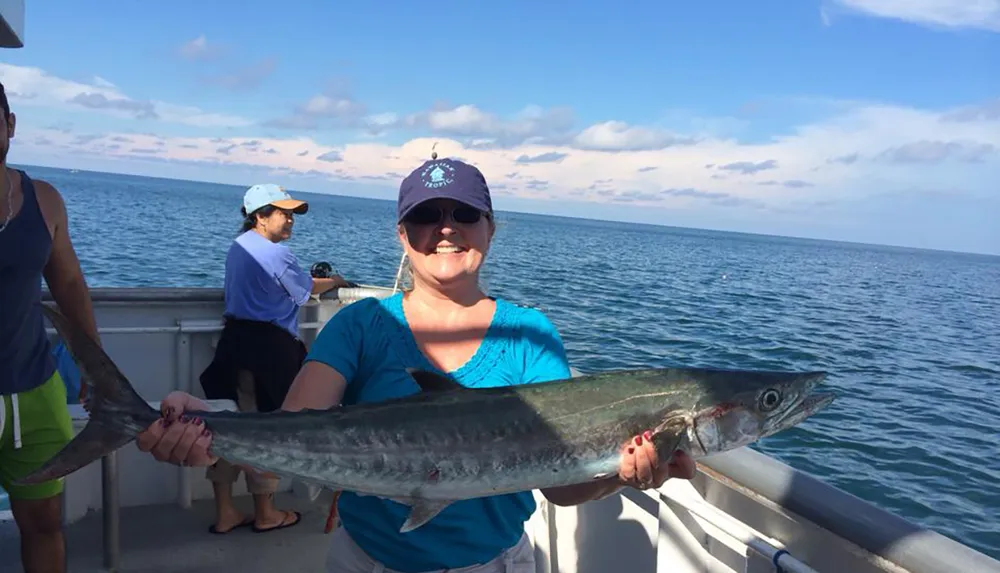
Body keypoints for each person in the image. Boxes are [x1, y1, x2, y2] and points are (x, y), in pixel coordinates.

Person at [134, 157, 697, 572]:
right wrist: (207, 420)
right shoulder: (360, 326)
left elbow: (561, 488)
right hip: (369, 562)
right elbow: (293, 426)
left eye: (464, 213)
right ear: (403, 235)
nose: (446, 227)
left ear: (490, 229)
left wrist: (618, 478)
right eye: (428, 215)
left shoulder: (530, 334)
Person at [197, 183, 348, 535]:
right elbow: (303, 292)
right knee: (268, 430)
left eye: (292, 214)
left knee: (226, 425)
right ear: (260, 216)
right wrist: (334, 280)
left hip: (233, 343)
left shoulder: (238, 247)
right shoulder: (278, 254)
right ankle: (265, 513)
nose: (291, 221)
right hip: (268, 349)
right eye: (284, 213)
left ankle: (225, 513)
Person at [0, 81, 102, 573]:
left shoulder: (44, 200)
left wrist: (93, 366)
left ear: (10, 124)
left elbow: (69, 282)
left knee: (44, 526)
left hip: (34, 392)